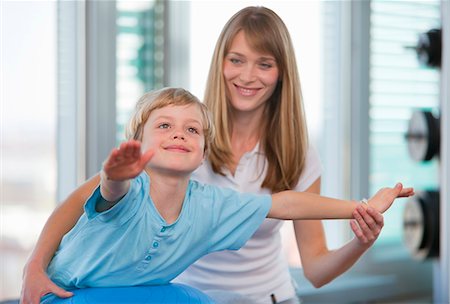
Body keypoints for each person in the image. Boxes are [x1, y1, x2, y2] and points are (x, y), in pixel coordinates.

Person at [20, 6, 406, 304]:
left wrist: (363, 224)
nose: (248, 75)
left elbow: (310, 253)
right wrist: (34, 267)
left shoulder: (292, 154)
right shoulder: (178, 137)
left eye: (264, 64)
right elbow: (98, 193)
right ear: (220, 62)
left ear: (281, 73)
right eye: (236, 59)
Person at [40, 87, 412, 296]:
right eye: (165, 125)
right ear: (137, 141)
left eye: (192, 130)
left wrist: (361, 206)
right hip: (64, 293)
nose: (178, 134)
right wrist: (115, 175)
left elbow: (283, 203)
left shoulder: (211, 205)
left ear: (203, 151)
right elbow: (110, 193)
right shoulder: (128, 188)